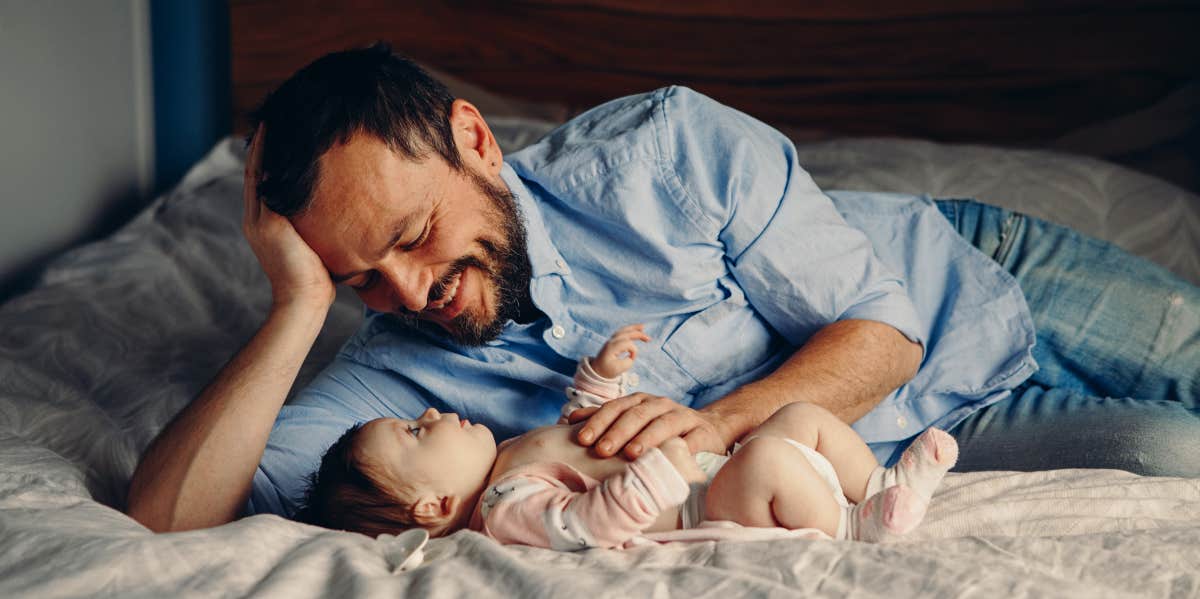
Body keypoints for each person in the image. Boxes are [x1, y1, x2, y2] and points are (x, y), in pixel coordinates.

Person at [125, 44, 1200, 533]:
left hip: (962, 280)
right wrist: (298, 306)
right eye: (361, 275)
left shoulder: (663, 151)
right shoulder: (392, 384)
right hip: (917, 433)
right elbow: (167, 517)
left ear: (475, 138)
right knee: (1177, 454)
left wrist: (707, 426)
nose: (412, 289)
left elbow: (883, 336)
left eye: (414, 234)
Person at [297, 324, 959, 546]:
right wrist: (664, 469)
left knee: (800, 417)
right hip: (701, 498)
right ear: (434, 505)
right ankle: (856, 527)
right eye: (415, 431)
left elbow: (584, 436)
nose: (435, 414)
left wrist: (598, 380)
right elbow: (588, 520)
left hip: (703, 460)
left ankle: (881, 482)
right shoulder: (504, 509)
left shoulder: (510, 454)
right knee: (766, 459)